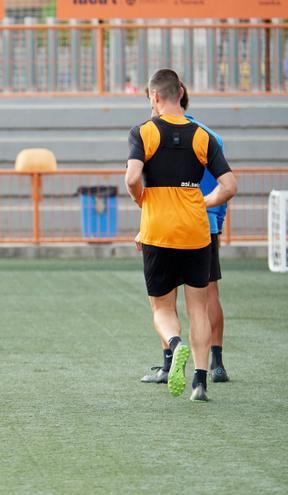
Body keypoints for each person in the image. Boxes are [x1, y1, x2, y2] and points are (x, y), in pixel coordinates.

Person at [126, 69, 236, 402]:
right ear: (180, 94)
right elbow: (229, 186)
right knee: (198, 309)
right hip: (196, 232)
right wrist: (204, 201)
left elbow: (132, 179)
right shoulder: (203, 136)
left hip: (158, 230)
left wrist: (142, 200)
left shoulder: (143, 132)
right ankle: (200, 382)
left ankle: (175, 345)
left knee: (162, 308)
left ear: (155, 97)